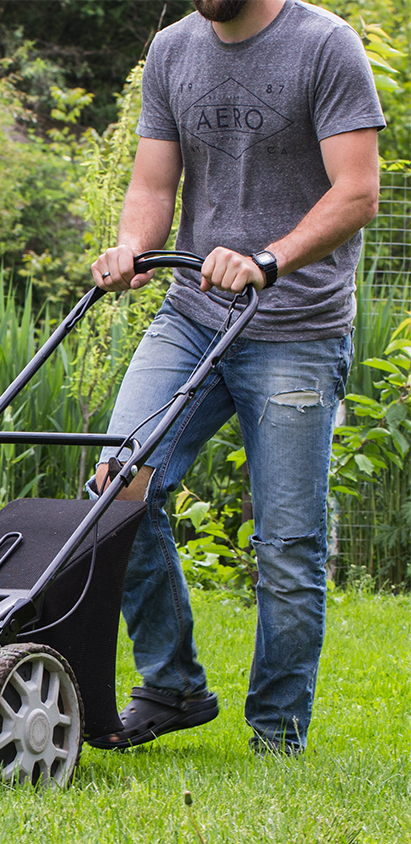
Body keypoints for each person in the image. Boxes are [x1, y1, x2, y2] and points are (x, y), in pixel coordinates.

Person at [87, 0, 383, 755]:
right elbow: (153, 187)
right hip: (192, 313)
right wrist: (131, 247)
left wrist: (268, 259)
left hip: (297, 330)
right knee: (116, 488)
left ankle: (277, 732)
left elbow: (356, 192)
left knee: (288, 543)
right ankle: (172, 685)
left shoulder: (325, 46)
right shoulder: (173, 50)